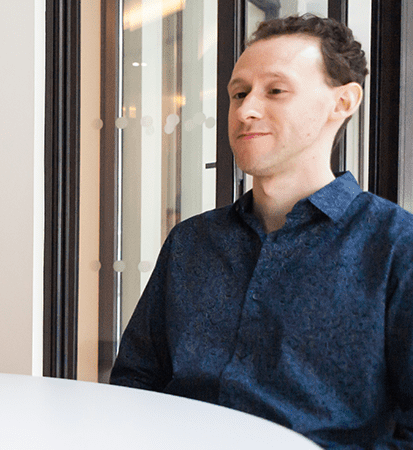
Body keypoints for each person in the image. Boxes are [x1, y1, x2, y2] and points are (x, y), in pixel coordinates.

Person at [109, 14, 413, 448]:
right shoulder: (191, 242)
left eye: (275, 91)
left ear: (343, 102)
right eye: (238, 93)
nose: (246, 110)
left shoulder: (396, 247)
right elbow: (135, 382)